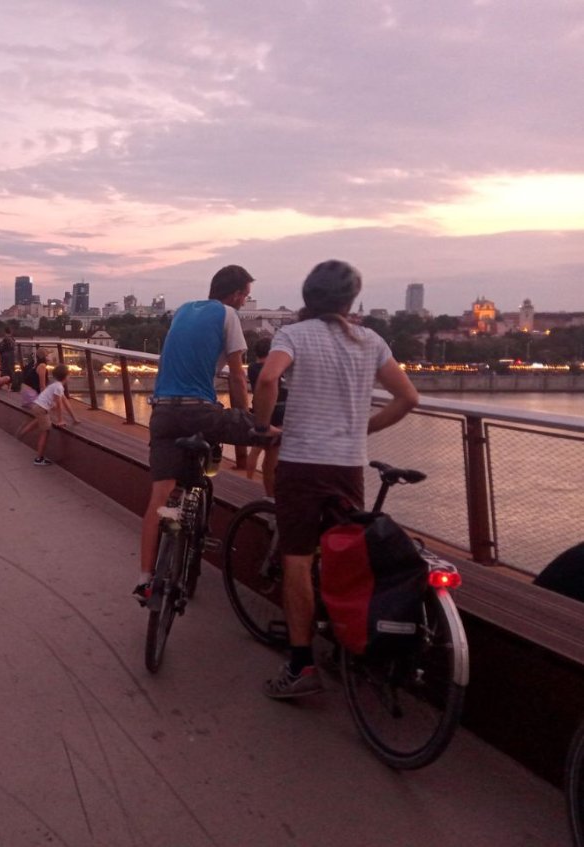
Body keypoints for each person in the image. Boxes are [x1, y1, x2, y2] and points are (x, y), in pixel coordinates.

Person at [252, 260, 419, 699]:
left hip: (303, 463)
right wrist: (366, 427)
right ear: (350, 300)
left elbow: (269, 377)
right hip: (347, 465)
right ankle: (346, 644)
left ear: (309, 297)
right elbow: (408, 397)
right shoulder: (371, 340)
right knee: (343, 554)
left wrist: (262, 425)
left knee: (298, 559)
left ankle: (302, 666)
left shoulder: (294, 335)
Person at [135, 265, 262, 605]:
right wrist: (244, 421)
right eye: (246, 297)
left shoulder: (183, 311)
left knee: (158, 498)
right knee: (268, 433)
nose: (245, 302)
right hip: (198, 410)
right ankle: (196, 514)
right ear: (236, 295)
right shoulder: (229, 316)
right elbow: (237, 377)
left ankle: (145, 580)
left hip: (161, 410)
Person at [245, 336, 286, 497]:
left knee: (256, 449)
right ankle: (270, 494)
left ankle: (248, 479)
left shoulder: (252, 368)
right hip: (280, 412)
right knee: (273, 454)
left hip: (261, 411)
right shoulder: (277, 370)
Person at [16, 363, 79, 465]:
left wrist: (74, 418)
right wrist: (60, 420)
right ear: (66, 376)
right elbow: (59, 405)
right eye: (69, 375)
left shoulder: (54, 385)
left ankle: (21, 433)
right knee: (45, 431)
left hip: (37, 406)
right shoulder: (59, 387)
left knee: (38, 421)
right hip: (41, 409)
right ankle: (39, 458)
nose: (69, 377)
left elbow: (62, 402)